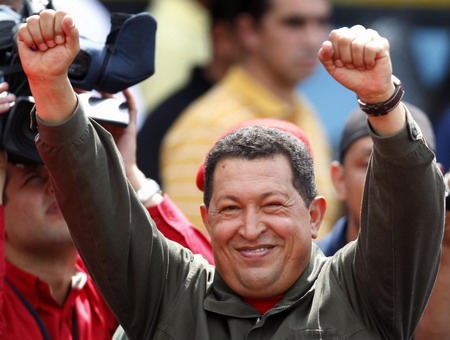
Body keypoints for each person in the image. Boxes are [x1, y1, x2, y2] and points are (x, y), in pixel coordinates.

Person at [18, 10, 445, 340]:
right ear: (205, 220)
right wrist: (51, 87)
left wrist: (381, 100)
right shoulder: (169, 294)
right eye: (229, 208)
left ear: (315, 215)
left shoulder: (362, 293)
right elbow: (94, 199)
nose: (251, 227)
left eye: (273, 205)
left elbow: (410, 211)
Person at [159, 0, 341, 235]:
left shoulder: (305, 111)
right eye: (294, 23)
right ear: (248, 31)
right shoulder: (206, 125)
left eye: (322, 22)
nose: (313, 39)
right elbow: (196, 251)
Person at [316, 105, 450, 339]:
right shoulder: (307, 271)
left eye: (408, 170)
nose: (384, 178)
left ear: (435, 183)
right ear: (339, 180)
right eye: (368, 163)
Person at [136, 0, 239, 183]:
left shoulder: (296, 104)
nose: (308, 40)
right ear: (222, 37)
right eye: (293, 24)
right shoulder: (191, 122)